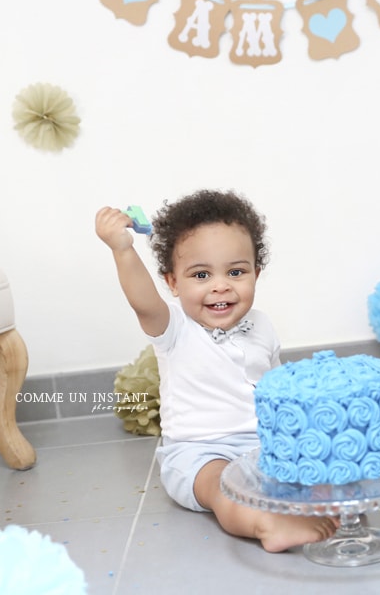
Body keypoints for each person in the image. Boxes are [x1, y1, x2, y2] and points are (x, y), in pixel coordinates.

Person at [95, 189, 338, 552]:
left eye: (236, 271)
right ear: (174, 283)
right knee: (222, 485)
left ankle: (330, 506)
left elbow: (277, 390)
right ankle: (267, 525)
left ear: (256, 273)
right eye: (201, 274)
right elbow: (142, 301)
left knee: (322, 458)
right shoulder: (173, 328)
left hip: (263, 446)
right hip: (199, 454)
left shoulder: (262, 326)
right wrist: (122, 249)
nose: (220, 285)